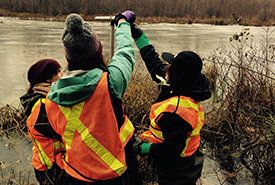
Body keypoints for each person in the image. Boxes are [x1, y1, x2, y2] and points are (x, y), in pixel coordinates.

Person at [45, 12, 141, 185]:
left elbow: (60, 133)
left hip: (76, 173)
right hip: (117, 172)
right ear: (99, 50)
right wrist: (122, 23)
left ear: (68, 57)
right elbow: (125, 52)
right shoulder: (110, 83)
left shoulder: (51, 99)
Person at [131, 24, 211, 185]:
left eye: (171, 67)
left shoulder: (177, 111)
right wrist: (139, 36)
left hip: (179, 169)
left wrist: (141, 148)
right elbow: (153, 63)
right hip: (188, 156)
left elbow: (171, 151)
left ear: (177, 74)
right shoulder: (183, 84)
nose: (166, 68)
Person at [20, 59, 65, 185]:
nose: (63, 74)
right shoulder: (43, 105)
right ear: (48, 80)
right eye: (58, 72)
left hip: (46, 162)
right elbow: (61, 132)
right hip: (51, 167)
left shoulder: (42, 97)